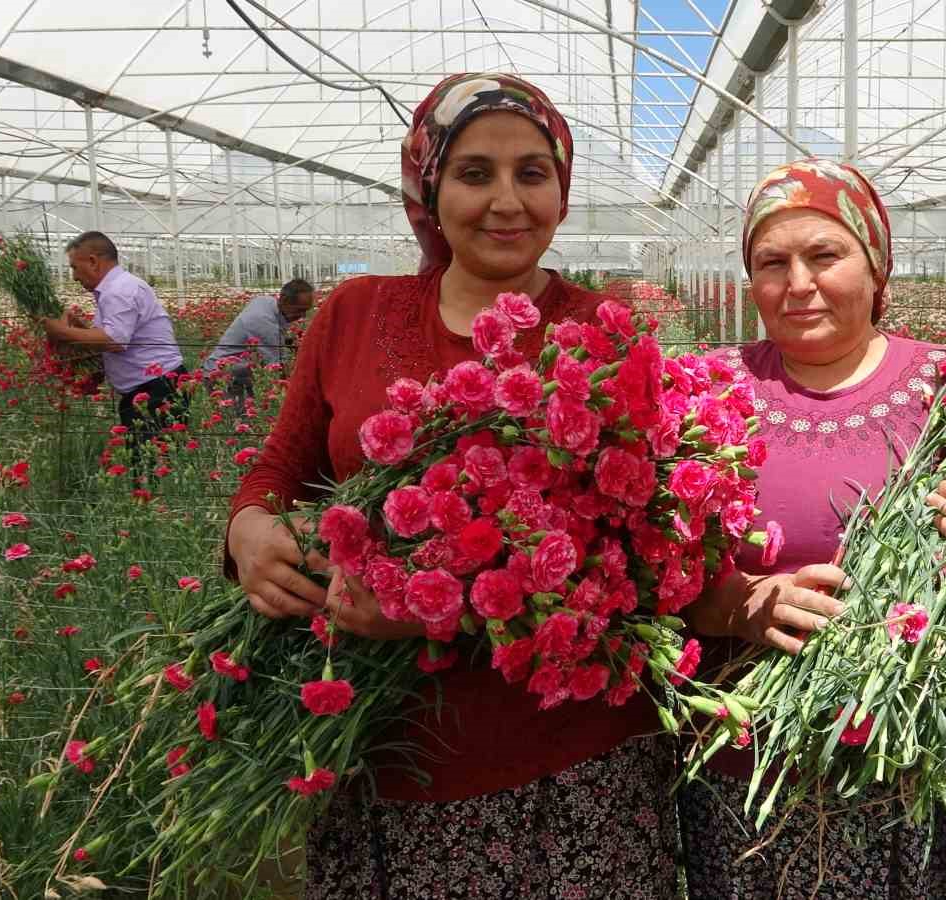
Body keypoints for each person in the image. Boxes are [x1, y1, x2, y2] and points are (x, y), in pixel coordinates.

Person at [224, 74, 676, 900]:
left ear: (562, 193)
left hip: (568, 759)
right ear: (429, 188)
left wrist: (444, 610)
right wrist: (249, 527)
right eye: (475, 173)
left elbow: (640, 555)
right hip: (389, 757)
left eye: (532, 173)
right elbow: (280, 466)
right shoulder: (355, 313)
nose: (507, 201)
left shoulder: (605, 336)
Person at [679, 158, 946, 899]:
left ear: (877, 269)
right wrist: (741, 604)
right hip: (762, 780)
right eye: (772, 263)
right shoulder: (706, 393)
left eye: (825, 255)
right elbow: (655, 570)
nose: (798, 283)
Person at [39, 231, 189, 452]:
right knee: (156, 463)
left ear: (93, 261)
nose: (74, 276)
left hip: (156, 390)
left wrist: (60, 332)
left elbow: (114, 340)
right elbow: (113, 335)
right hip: (154, 386)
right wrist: (79, 327)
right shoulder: (118, 287)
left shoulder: (118, 290)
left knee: (152, 467)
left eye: (74, 267)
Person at [203, 278, 317, 406]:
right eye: (300, 310)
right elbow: (277, 368)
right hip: (221, 377)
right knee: (236, 420)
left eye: (306, 310)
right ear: (284, 300)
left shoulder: (267, 301)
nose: (303, 316)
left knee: (252, 417)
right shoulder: (263, 321)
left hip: (240, 373)